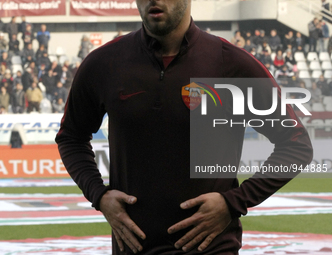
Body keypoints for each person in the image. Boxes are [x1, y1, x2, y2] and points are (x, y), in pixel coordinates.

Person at [55, 0, 313, 254]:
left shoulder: (231, 64)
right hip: (132, 247)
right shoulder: (105, 62)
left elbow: (297, 144)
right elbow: (71, 137)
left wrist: (233, 202)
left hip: (211, 248)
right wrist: (99, 195)